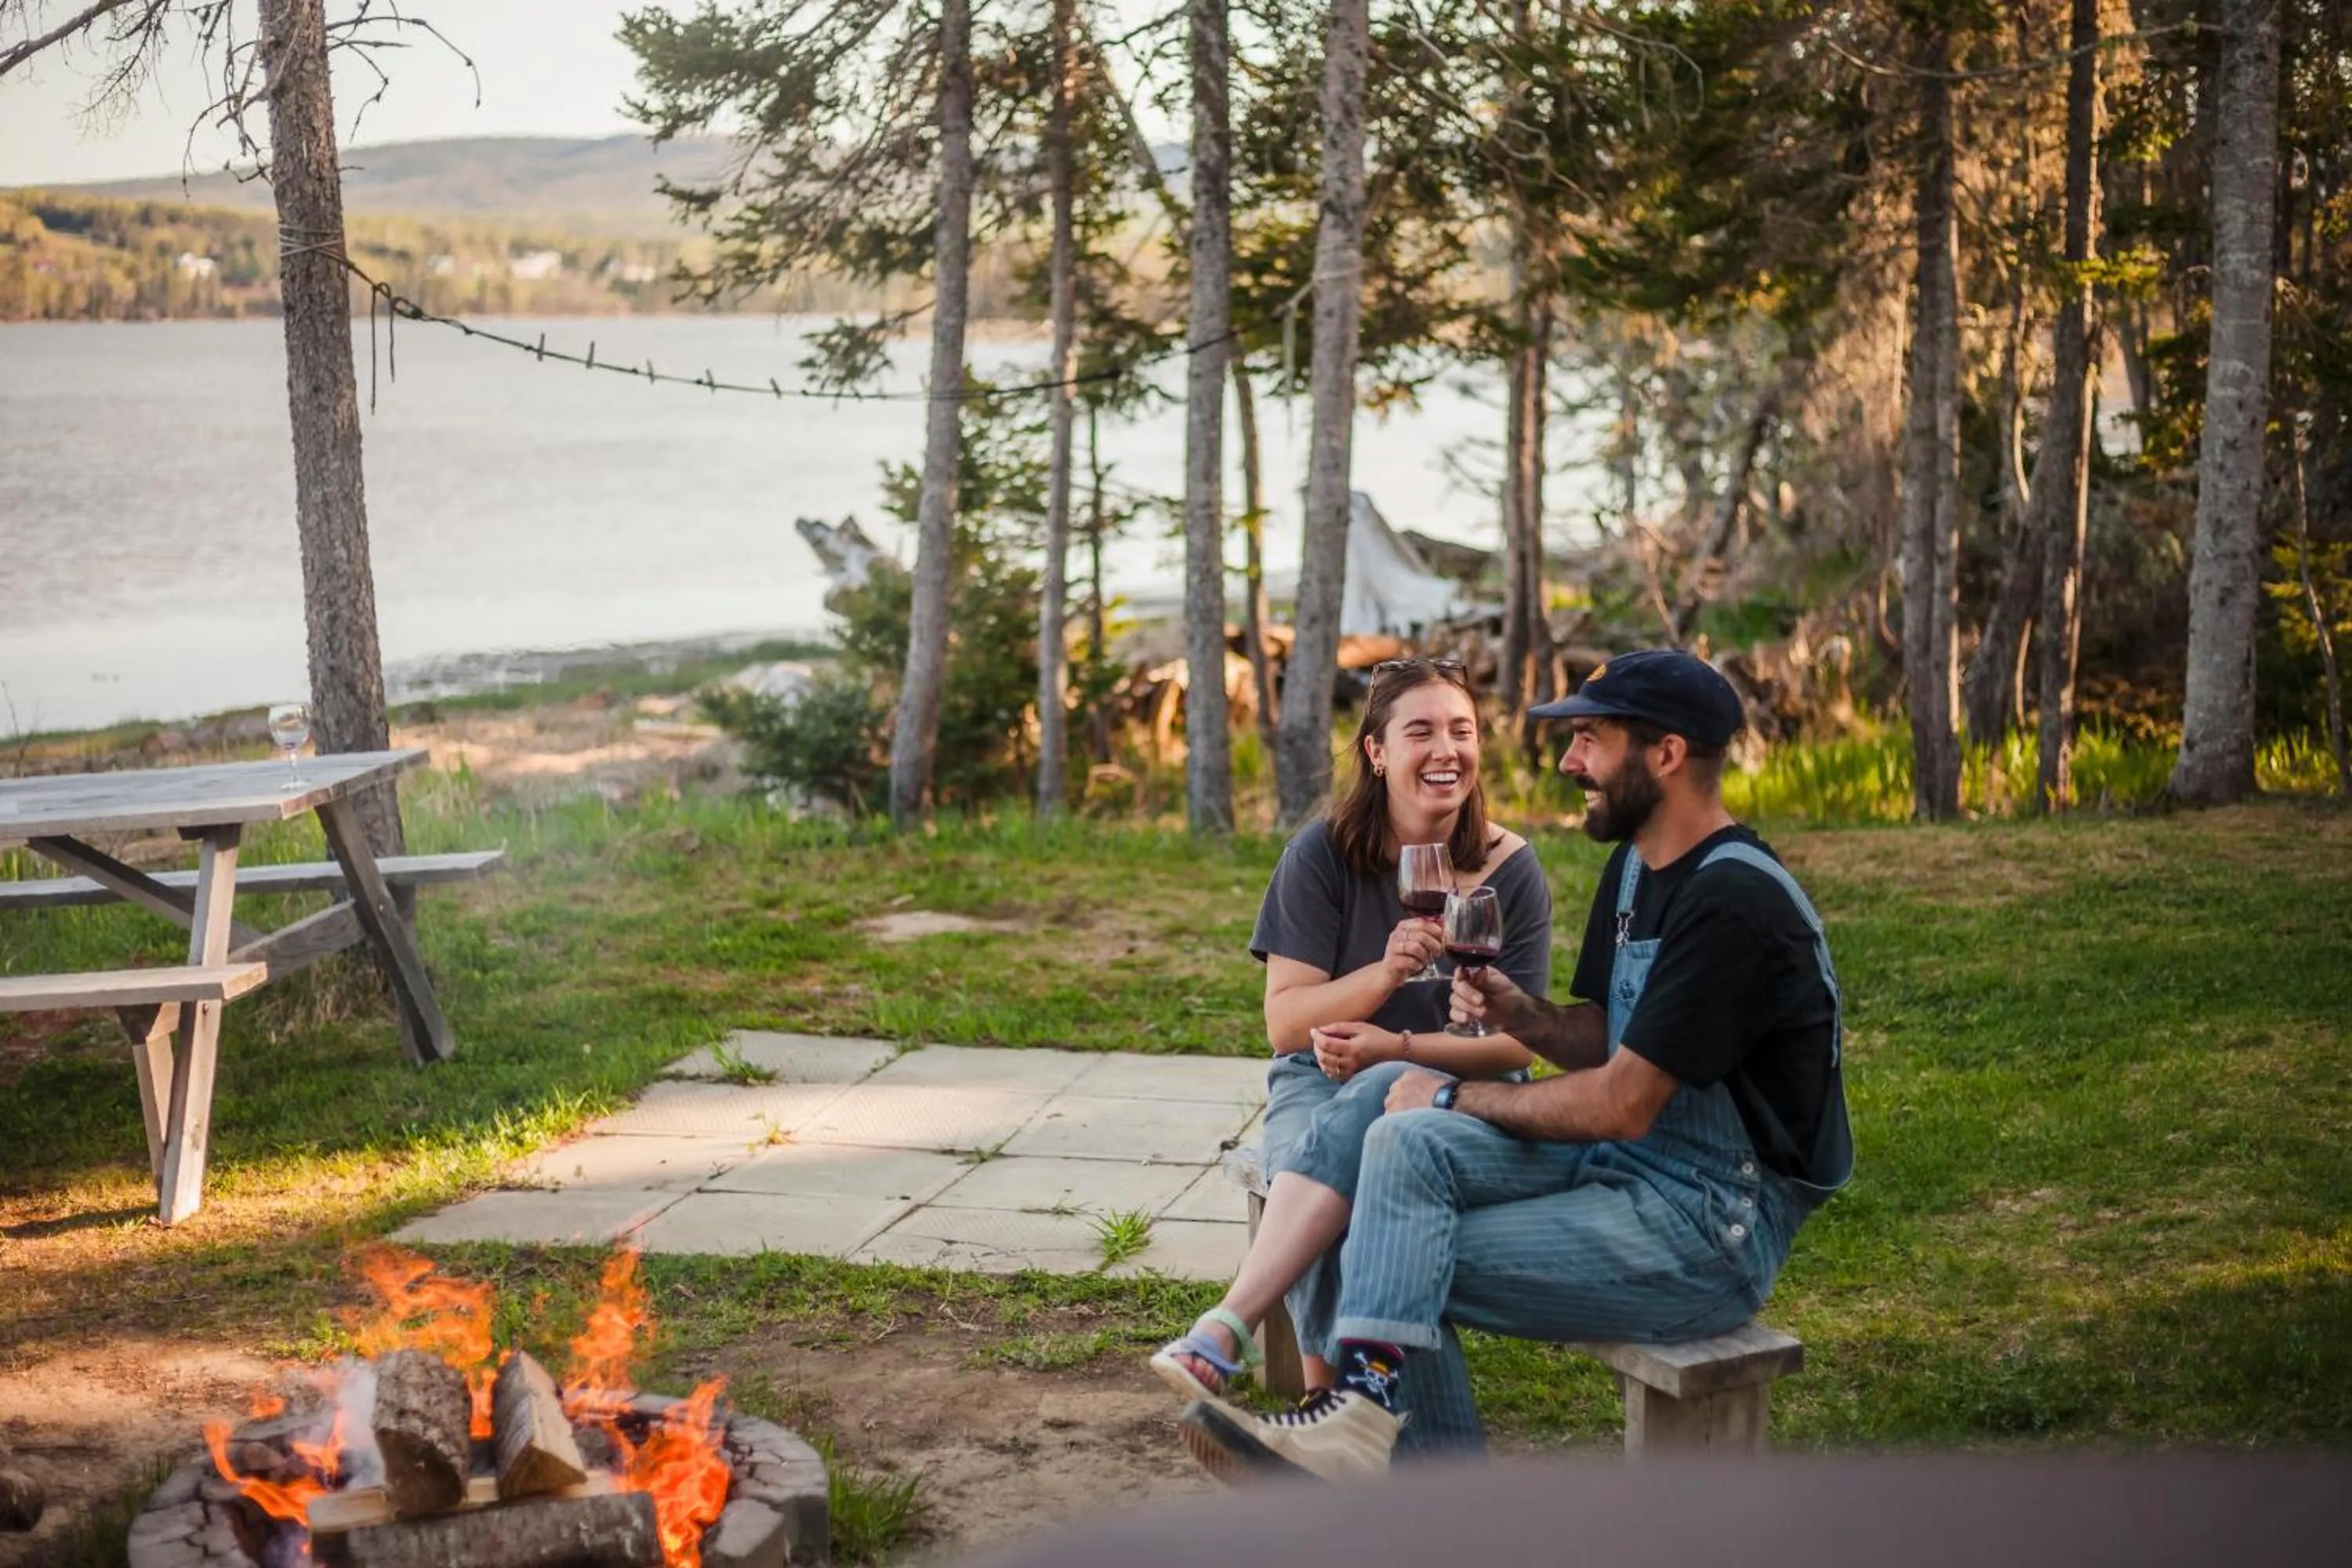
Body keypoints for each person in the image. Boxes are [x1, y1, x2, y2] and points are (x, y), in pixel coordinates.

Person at [1178, 648, 1855, 1481]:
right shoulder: (1640, 865)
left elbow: (1621, 1101)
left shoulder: (1733, 905)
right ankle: (1359, 1415)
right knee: (1402, 1140)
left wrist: (1456, 1088)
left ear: (1667, 754)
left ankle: (1412, 1474)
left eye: (1591, 741)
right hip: (1626, 1165)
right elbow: (1605, 1032)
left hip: (1709, 1219)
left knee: (1384, 1244)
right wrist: (1516, 1009)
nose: (1569, 762)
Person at [1149, 656, 1554, 1441]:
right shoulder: (1323, 854)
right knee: (1317, 1151)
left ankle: (1264, 1358)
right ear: (1376, 751)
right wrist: (1384, 975)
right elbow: (1286, 1022)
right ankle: (1326, 1402)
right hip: (1322, 1070)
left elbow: (1516, 1040)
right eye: (1422, 731)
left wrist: (1398, 1044)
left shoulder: (1513, 866)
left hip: (1454, 1077)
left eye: (1462, 730)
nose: (1447, 750)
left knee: (1369, 1167)